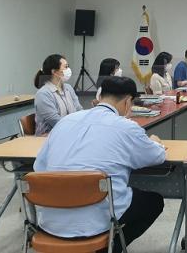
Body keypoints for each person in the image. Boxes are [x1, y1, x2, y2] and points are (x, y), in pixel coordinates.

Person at [33, 77, 166, 253]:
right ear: (128, 102)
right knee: (154, 202)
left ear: (100, 96)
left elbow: (39, 167)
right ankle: (110, 247)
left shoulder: (65, 121)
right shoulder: (126, 127)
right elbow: (156, 156)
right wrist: (155, 142)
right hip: (96, 220)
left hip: (50, 222)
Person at [34, 54, 83, 135]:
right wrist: (77, 128)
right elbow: (56, 121)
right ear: (54, 72)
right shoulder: (43, 94)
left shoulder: (68, 88)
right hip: (48, 136)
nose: (68, 70)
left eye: (68, 66)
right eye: (66, 67)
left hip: (69, 132)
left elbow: (79, 110)